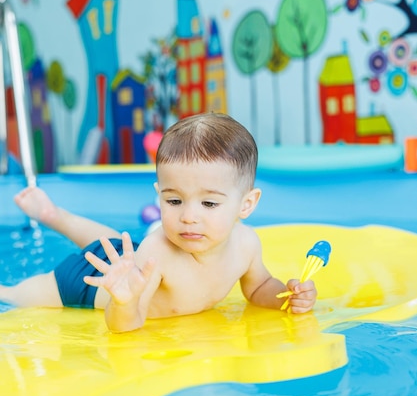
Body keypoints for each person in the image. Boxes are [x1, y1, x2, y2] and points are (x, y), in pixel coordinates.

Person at [0, 113, 317, 332]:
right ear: (159, 195)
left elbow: (259, 287)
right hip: (83, 285)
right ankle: (43, 231)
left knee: (115, 245)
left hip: (129, 261)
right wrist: (123, 302)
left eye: (208, 203)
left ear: (246, 204)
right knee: (17, 296)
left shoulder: (246, 245)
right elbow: (127, 323)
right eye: (174, 201)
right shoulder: (159, 252)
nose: (188, 216)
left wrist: (286, 299)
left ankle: (53, 214)